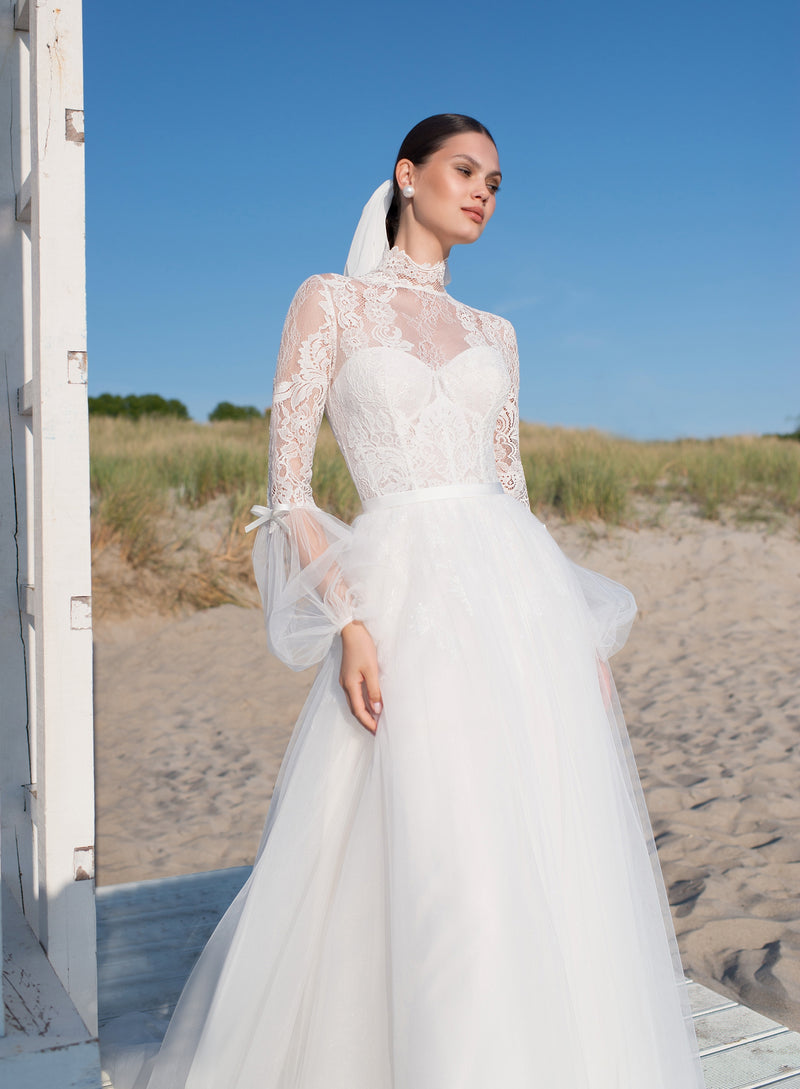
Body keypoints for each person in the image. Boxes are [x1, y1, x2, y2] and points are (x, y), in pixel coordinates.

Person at [126, 113, 706, 1088]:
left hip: (512, 595)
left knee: (530, 830)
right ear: (407, 176)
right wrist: (347, 621)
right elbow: (290, 489)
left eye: (494, 181)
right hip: (400, 591)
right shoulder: (330, 302)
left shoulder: (495, 333)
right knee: (425, 834)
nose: (481, 191)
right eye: (463, 170)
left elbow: (510, 490)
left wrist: (576, 639)